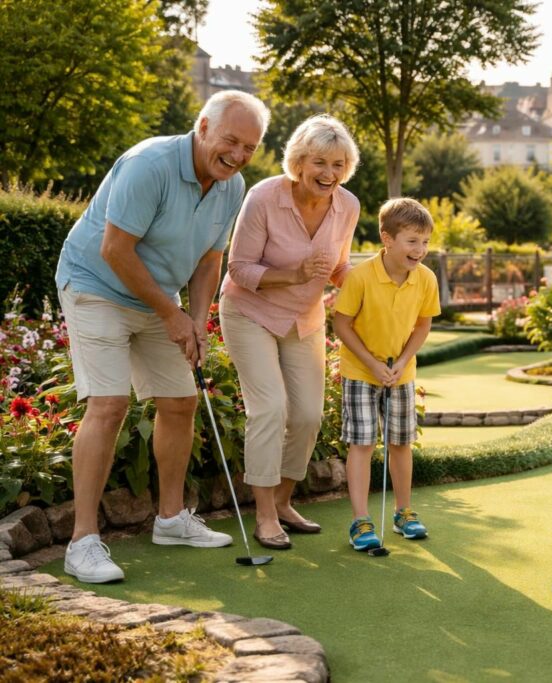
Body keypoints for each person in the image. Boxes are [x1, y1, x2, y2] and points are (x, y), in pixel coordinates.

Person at [55, 90, 270, 583]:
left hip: (159, 297)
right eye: (231, 141)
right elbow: (115, 249)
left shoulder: (230, 186)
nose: (238, 156)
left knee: (180, 402)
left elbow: (210, 258)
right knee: (108, 405)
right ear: (202, 126)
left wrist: (196, 318)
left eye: (249, 149)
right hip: (96, 286)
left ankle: (171, 519)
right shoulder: (148, 165)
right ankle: (82, 541)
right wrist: (171, 315)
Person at [218, 115, 361, 550]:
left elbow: (338, 267)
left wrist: (373, 283)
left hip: (304, 319)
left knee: (307, 416)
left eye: (338, 164)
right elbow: (238, 269)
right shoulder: (264, 197)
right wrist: (293, 273)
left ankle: (282, 501)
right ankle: (262, 515)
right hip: (250, 312)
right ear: (298, 161)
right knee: (270, 409)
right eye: (319, 162)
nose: (329, 174)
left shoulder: (348, 206)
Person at [331, 198, 440, 552]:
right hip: (360, 372)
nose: (420, 250)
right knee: (362, 443)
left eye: (424, 242)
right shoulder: (360, 277)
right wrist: (372, 363)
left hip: (401, 373)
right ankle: (361, 519)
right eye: (412, 241)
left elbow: (423, 325)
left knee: (400, 443)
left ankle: (403, 512)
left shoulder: (425, 279)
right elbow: (342, 323)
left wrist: (403, 360)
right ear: (387, 238)